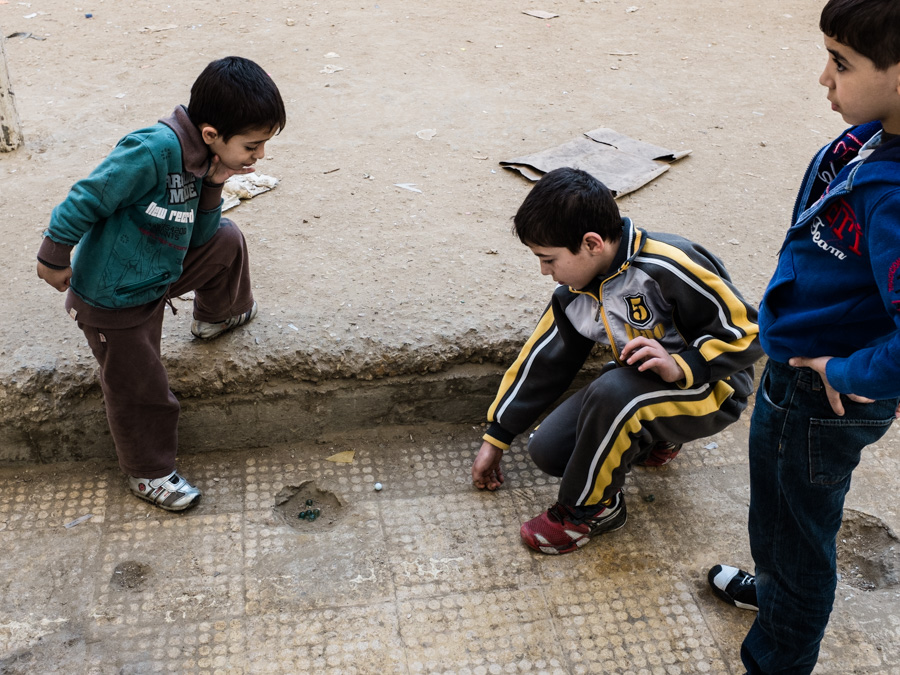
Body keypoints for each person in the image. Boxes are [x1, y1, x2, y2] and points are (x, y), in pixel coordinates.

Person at [707, 0, 900, 671]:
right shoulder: (874, 137)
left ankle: (779, 650)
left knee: (797, 537)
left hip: (821, 396)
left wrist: (845, 373)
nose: (824, 78)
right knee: (779, 516)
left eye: (840, 63)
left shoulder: (895, 198)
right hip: (802, 371)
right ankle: (775, 593)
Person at [36, 56, 286, 511]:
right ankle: (147, 471)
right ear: (210, 133)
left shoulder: (205, 160)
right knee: (140, 388)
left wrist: (214, 185)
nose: (260, 156)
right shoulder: (151, 150)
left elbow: (201, 237)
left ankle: (218, 315)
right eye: (253, 146)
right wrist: (53, 254)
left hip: (158, 268)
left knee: (227, 238)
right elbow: (88, 195)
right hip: (116, 298)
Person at [470, 167, 762, 554]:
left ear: (591, 243)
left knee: (612, 392)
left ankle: (589, 511)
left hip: (714, 387)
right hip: (642, 388)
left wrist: (683, 366)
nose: (544, 271)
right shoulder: (574, 293)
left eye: (549, 259)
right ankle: (656, 436)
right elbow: (543, 364)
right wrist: (497, 437)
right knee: (549, 451)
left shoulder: (669, 265)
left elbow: (751, 332)